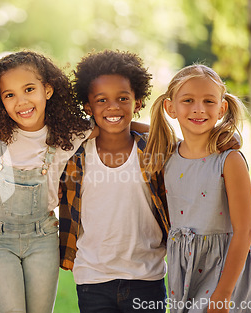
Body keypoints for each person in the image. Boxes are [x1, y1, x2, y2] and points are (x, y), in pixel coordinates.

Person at [0, 50, 95, 313]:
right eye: (10, 95)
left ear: (48, 90)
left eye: (29, 89)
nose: (21, 101)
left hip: (43, 236)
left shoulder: (68, 133)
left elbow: (112, 125)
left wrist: (154, 131)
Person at [58, 50, 170, 313]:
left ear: (138, 102)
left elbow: (186, 144)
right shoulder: (75, 153)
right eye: (101, 100)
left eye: (123, 98)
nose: (113, 106)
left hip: (147, 276)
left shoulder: (153, 150)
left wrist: (223, 141)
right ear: (88, 107)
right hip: (93, 279)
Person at [145, 64, 251, 313]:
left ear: (222, 108)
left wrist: (224, 293)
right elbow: (136, 131)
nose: (198, 108)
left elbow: (244, 231)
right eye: (188, 100)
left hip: (222, 271)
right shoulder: (167, 157)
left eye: (209, 101)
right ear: (170, 108)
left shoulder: (229, 161)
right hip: (183, 270)